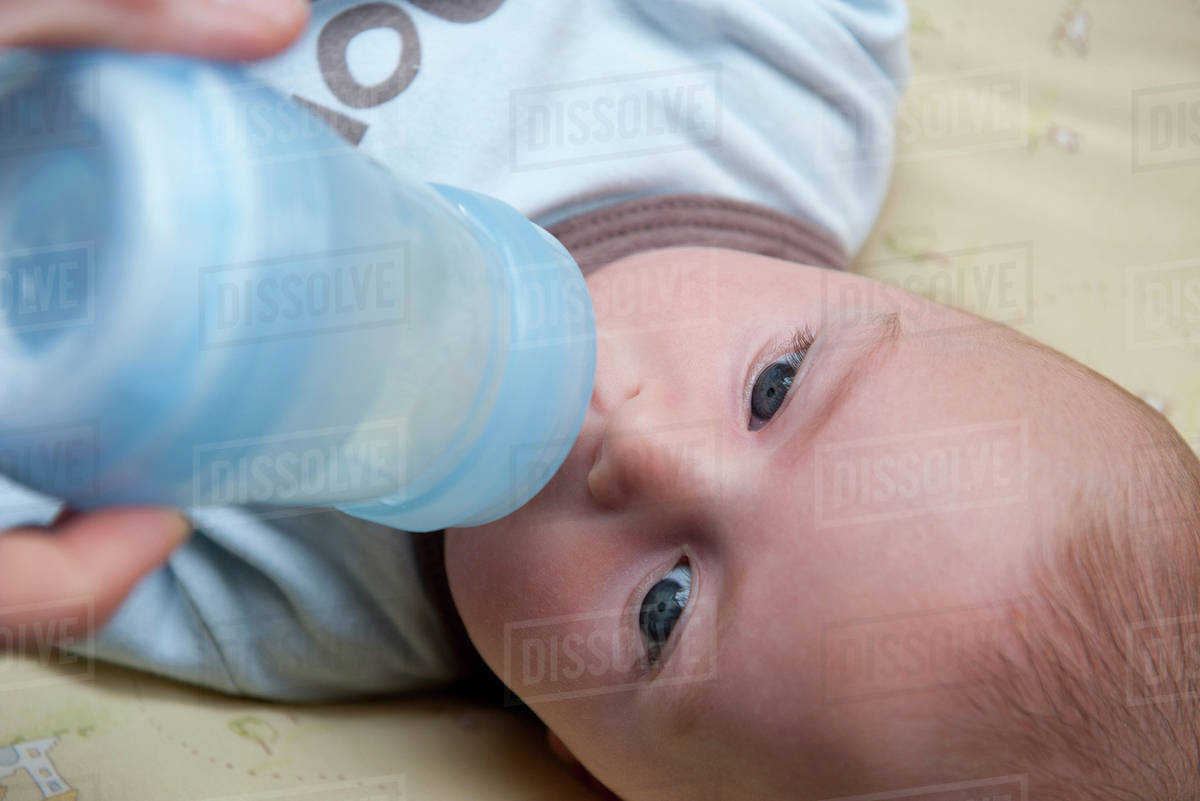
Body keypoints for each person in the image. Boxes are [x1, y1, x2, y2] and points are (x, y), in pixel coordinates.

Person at [2, 2, 1199, 800]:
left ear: (586, 764)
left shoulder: (292, 607)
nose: (641, 448)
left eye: (666, 610)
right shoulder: (778, 82)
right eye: (774, 389)